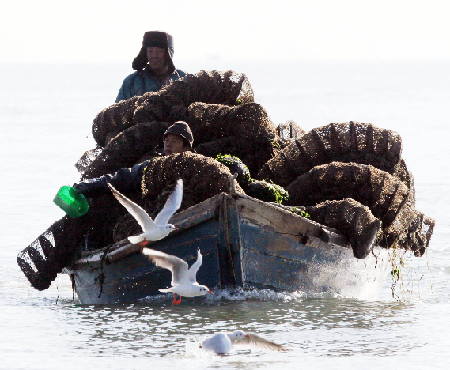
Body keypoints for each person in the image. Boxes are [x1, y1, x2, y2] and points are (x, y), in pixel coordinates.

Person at [74, 121, 194, 197]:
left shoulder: (196, 164)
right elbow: (126, 176)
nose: (168, 144)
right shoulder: (157, 164)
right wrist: (90, 185)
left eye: (174, 141)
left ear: (186, 147)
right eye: (166, 140)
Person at [115, 31, 186, 102]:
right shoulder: (131, 82)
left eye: (159, 51)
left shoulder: (183, 79)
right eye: (150, 51)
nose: (154, 55)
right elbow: (117, 110)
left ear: (168, 54)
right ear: (145, 53)